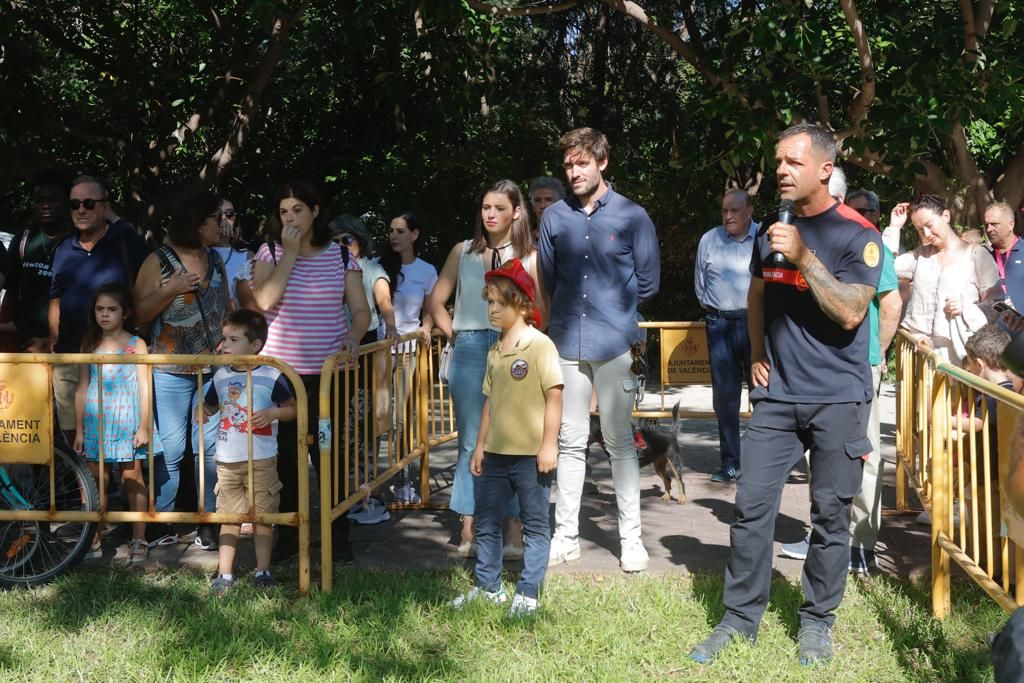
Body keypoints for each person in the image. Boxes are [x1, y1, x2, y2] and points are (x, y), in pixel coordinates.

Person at [689, 123, 882, 666]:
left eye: (793, 162)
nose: (781, 171)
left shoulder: (857, 234)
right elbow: (755, 298)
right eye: (778, 161)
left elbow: (850, 311)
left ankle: (816, 622)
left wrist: (803, 257)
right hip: (777, 396)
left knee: (829, 513)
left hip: (839, 397)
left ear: (824, 169)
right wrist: (755, 353)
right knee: (751, 508)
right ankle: (739, 618)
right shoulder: (770, 230)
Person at [539, 127, 661, 573]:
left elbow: (649, 282)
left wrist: (617, 309)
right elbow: (548, 282)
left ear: (602, 163)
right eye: (568, 164)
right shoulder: (553, 218)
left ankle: (632, 540)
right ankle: (565, 536)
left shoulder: (633, 215)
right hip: (567, 342)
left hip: (615, 344)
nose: (573, 172)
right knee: (570, 442)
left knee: (619, 443)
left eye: (582, 163)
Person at [781, 188, 903, 572]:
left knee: (862, 455)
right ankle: (825, 536)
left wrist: (878, 354)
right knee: (824, 453)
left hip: (857, 365)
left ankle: (861, 544)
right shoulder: (821, 237)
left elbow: (891, 302)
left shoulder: (867, 239)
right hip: (822, 365)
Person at [250, 180, 370, 563]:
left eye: (297, 210)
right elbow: (264, 300)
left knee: (328, 454)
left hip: (327, 375)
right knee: (283, 457)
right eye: (283, 211)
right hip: (279, 376)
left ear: (315, 211)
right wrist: (289, 253)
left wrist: (353, 336)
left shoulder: (340, 256)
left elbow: (361, 310)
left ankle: (337, 537)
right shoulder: (269, 251)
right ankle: (287, 539)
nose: (290, 218)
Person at [426, 179, 537, 557]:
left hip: (516, 347)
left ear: (516, 212)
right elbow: (436, 300)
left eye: (499, 208)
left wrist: (527, 342)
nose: (490, 214)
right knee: (473, 438)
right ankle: (470, 524)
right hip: (471, 346)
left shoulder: (531, 255)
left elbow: (544, 310)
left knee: (518, 437)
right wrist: (454, 335)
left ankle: (515, 528)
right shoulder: (463, 252)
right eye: (485, 207)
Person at [449, 259, 563, 616]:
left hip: (531, 456)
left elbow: (555, 397)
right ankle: (489, 586)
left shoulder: (539, 345)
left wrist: (549, 445)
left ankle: (528, 592)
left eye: (500, 302)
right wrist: (480, 446)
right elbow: (489, 403)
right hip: (496, 454)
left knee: (534, 524)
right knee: (485, 521)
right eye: (490, 302)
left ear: (522, 304)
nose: (493, 309)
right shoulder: (495, 352)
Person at [134, 192, 231, 551]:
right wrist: (171, 289)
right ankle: (164, 520)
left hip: (212, 370)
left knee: (207, 450)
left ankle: (208, 521)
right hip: (170, 371)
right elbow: (139, 314)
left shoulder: (216, 258)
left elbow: (226, 305)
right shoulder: (159, 261)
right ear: (196, 222)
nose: (220, 225)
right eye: (215, 218)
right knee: (172, 450)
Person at [203, 310, 296, 594]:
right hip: (227, 461)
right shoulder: (220, 376)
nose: (225, 345)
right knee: (228, 518)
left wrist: (273, 413)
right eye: (223, 339)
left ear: (255, 346)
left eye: (233, 339)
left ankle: (263, 571)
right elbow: (210, 405)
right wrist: (202, 411)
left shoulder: (273, 374)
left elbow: (295, 408)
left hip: (262, 460)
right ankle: (225, 574)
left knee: (263, 518)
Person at [50, 175, 149, 436]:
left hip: (118, 361)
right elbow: (55, 299)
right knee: (75, 442)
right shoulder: (62, 249)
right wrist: (54, 345)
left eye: (89, 203)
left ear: (105, 207)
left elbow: (148, 293)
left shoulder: (129, 243)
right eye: (74, 204)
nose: (81, 209)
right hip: (70, 357)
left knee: (125, 446)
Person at [73, 283, 159, 564]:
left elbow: (146, 387)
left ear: (125, 313)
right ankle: (93, 536)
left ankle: (139, 537)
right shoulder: (88, 343)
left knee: (132, 478)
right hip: (96, 420)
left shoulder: (137, 344)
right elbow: (82, 387)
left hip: (129, 420)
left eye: (112, 309)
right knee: (96, 482)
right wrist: (80, 430)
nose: (105, 314)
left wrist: (144, 425)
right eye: (100, 309)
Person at [694, 189, 758, 482]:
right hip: (719, 323)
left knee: (763, 394)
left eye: (734, 210)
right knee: (725, 399)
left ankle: (763, 463)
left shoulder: (764, 238)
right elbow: (700, 285)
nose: (728, 216)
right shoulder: (709, 239)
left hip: (755, 324)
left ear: (749, 211)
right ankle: (730, 462)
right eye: (724, 211)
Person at [893, 194, 1002, 364]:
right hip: (919, 356)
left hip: (960, 358)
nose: (926, 234)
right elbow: (882, 267)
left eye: (929, 225)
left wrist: (966, 309)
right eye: (920, 229)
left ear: (946, 216)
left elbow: (997, 304)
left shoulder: (976, 255)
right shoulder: (918, 256)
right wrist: (894, 227)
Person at [376, 211, 437, 504]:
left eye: (400, 231)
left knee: (401, 417)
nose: (394, 236)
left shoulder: (426, 270)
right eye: (391, 230)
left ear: (414, 235)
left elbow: (430, 308)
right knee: (376, 417)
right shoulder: (379, 266)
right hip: (377, 353)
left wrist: (426, 327)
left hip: (409, 352)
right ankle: (371, 484)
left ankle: (403, 479)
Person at [1, 168, 73, 352]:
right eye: (40, 200)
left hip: (68, 346)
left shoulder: (79, 242)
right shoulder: (23, 240)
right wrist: (27, 336)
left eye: (53, 199)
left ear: (66, 201)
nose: (46, 205)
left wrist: (54, 339)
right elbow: (12, 293)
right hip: (27, 344)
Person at [212, 197, 252, 308]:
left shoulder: (247, 255)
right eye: (218, 214)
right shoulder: (199, 252)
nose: (224, 219)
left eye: (229, 214)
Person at [983, 202, 1022, 309]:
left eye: (994, 224)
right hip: (992, 324)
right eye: (986, 225)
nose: (989, 229)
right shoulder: (982, 255)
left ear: (1011, 224)